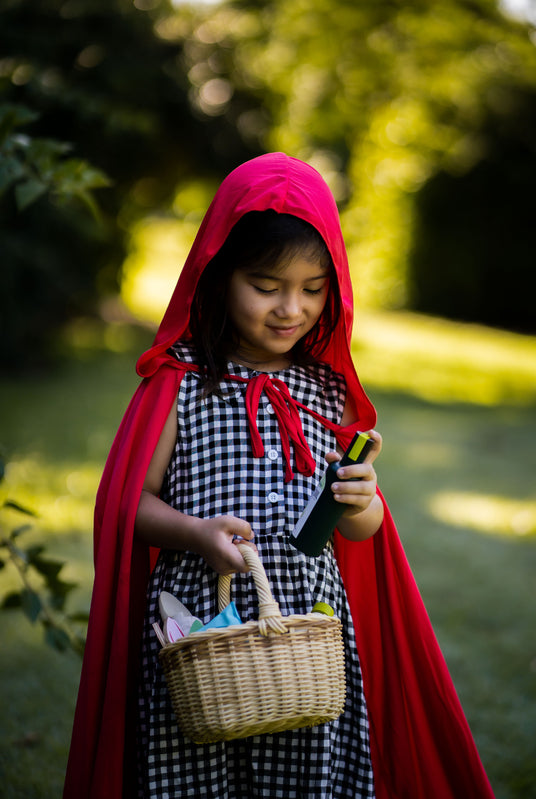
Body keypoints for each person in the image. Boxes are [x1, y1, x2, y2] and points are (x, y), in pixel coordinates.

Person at [63, 153, 495, 799]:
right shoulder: (180, 382)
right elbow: (131, 503)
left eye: (314, 288)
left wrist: (361, 502)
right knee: (198, 771)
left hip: (308, 635)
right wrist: (197, 533)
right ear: (219, 275)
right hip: (205, 628)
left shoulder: (328, 391)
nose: (291, 309)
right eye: (266, 285)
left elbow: (363, 531)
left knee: (303, 774)